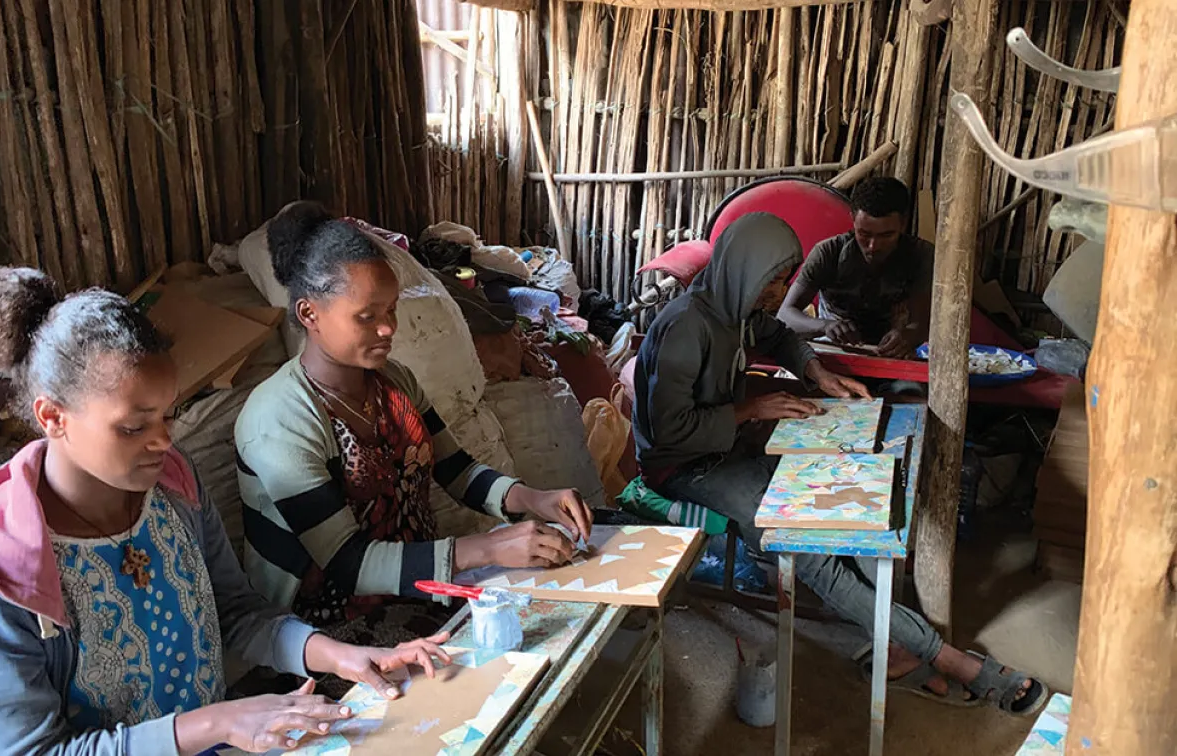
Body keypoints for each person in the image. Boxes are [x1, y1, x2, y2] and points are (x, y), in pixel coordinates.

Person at [0, 267, 450, 756]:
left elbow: (236, 612)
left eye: (168, 414)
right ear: (53, 417)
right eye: (134, 427)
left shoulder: (173, 486)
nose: (163, 440)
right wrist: (215, 722)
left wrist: (342, 658)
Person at [634, 213, 1047, 716]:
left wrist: (816, 371)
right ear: (743, 270)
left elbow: (782, 334)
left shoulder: (736, 310)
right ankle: (944, 656)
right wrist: (751, 409)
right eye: (773, 281)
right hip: (682, 467)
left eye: (783, 280)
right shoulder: (685, 327)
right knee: (810, 547)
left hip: (725, 448)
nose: (780, 292)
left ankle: (897, 641)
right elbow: (668, 432)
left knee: (839, 514)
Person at [236, 202, 593, 654]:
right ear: (309, 314)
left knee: (557, 621)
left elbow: (457, 470)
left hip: (419, 588)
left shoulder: (395, 383)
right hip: (326, 630)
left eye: (390, 311)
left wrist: (532, 499)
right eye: (367, 316)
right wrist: (486, 548)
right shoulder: (279, 418)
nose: (388, 329)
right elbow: (347, 563)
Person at [778, 176, 933, 359]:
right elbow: (785, 315)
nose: (873, 246)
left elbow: (922, 322)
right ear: (852, 219)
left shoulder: (920, 255)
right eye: (864, 234)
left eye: (887, 235)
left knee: (909, 389)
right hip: (833, 351)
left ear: (903, 223)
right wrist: (825, 326)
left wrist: (907, 335)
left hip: (893, 355)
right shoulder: (828, 253)